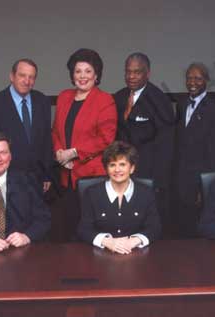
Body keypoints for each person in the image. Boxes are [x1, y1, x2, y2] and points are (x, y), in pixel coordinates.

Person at [51, 48, 117, 241]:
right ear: (72, 75)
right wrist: (59, 153)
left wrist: (74, 152)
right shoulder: (64, 97)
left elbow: (106, 138)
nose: (82, 76)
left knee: (93, 232)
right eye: (78, 71)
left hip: (92, 177)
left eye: (88, 71)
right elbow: (55, 131)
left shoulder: (105, 100)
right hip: (66, 176)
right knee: (69, 230)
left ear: (96, 75)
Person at [113, 52, 176, 234]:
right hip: (122, 174)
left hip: (148, 175)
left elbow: (166, 146)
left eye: (137, 72)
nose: (131, 76)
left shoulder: (159, 100)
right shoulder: (119, 97)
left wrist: (159, 183)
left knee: (146, 226)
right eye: (128, 72)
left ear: (147, 73)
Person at [0, 59, 53, 193]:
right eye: (22, 75)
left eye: (31, 77)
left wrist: (47, 174)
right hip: (5, 179)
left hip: (37, 180)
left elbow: (46, 140)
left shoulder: (42, 101)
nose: (27, 81)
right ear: (12, 76)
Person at [173, 63, 215, 238]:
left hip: (199, 181)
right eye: (189, 78)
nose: (192, 82)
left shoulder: (214, 111)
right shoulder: (182, 105)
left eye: (198, 78)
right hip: (181, 178)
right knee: (180, 228)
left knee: (198, 232)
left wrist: (203, 186)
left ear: (206, 80)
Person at [77, 141, 161, 254]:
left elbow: (155, 227)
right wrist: (107, 242)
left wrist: (135, 241)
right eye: (112, 165)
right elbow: (83, 229)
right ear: (106, 169)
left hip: (135, 253)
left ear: (132, 168)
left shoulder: (146, 193)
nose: (117, 170)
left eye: (122, 164)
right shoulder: (91, 193)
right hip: (101, 255)